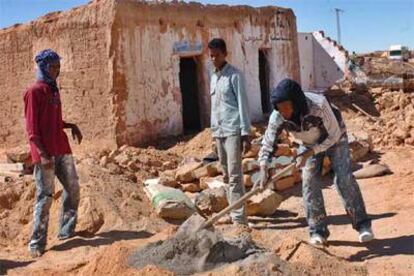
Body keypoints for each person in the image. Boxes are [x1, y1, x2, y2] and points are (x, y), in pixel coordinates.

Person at [256, 78, 374, 245]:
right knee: (309, 183)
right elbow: (268, 143)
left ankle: (362, 225)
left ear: (297, 104)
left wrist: (311, 152)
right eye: (280, 109)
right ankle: (318, 231)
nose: (285, 113)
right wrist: (263, 168)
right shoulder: (277, 116)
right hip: (307, 143)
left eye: (288, 108)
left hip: (335, 137)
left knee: (343, 179)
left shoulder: (318, 104)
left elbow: (333, 134)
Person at [24, 49, 83, 257]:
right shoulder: (34, 92)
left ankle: (66, 232)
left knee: (73, 189)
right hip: (45, 154)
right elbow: (32, 130)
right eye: (53, 67)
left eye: (59, 66)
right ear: (43, 67)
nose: (57, 70)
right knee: (45, 197)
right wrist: (42, 155)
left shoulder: (53, 90)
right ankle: (36, 243)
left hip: (62, 148)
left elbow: (53, 122)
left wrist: (70, 125)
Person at [208, 38, 251, 226]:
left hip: (233, 130)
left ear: (225, 54)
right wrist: (212, 133)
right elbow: (214, 107)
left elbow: (243, 104)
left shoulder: (235, 76)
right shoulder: (213, 78)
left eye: (217, 55)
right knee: (225, 174)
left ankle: (239, 219)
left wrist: (246, 132)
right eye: (211, 56)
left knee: (235, 175)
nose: (213, 59)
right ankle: (231, 211)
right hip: (219, 131)